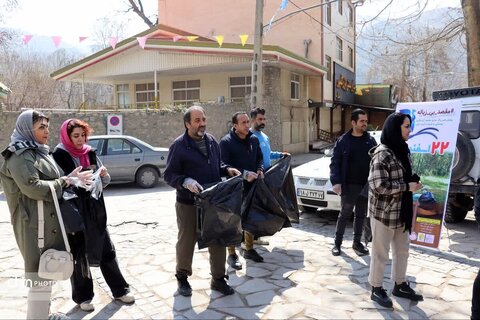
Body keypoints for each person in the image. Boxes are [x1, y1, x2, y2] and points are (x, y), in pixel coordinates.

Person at [0, 110, 92, 319]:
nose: (46, 131)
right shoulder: (19, 155)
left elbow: (53, 179)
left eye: (47, 126)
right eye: (41, 127)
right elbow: (33, 187)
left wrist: (70, 178)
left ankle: (43, 315)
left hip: (45, 221)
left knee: (46, 273)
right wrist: (65, 181)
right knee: (39, 278)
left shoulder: (38, 151)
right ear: (27, 129)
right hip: (33, 225)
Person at [52, 119, 135, 312]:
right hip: (74, 211)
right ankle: (84, 297)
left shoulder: (90, 152)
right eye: (76, 136)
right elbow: (57, 185)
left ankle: (120, 290)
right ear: (67, 136)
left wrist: (103, 176)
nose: (80, 140)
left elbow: (103, 181)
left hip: (95, 210)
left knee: (107, 249)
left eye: (83, 135)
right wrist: (72, 181)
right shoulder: (58, 155)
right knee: (79, 254)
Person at [164, 105, 238, 297]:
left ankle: (218, 279)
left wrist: (227, 169)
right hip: (188, 203)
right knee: (186, 241)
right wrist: (185, 181)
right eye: (197, 120)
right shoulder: (178, 146)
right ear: (187, 123)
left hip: (212, 201)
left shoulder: (212, 141)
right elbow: (169, 175)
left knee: (218, 239)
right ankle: (182, 277)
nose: (202, 124)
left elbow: (218, 165)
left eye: (203, 119)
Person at [367, 112, 423, 308]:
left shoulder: (403, 149)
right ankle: (376, 288)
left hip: (402, 211)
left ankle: (399, 284)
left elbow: (403, 175)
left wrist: (413, 180)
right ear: (395, 128)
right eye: (406, 126)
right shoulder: (382, 154)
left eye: (409, 125)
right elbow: (378, 186)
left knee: (402, 251)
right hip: (384, 213)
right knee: (380, 253)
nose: (410, 130)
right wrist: (407, 187)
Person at [220, 111, 264, 270]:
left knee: (251, 217)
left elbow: (259, 157)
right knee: (233, 221)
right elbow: (223, 165)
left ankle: (249, 249)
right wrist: (244, 174)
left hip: (252, 187)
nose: (247, 125)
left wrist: (259, 169)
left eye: (247, 122)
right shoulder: (226, 142)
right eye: (243, 123)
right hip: (234, 188)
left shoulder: (253, 139)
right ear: (235, 125)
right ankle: (231, 254)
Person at [329, 109, 377, 256]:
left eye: (366, 121)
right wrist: (336, 182)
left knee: (361, 215)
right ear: (353, 122)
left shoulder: (370, 141)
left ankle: (357, 243)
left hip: (365, 186)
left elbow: (376, 162)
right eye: (362, 121)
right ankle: (337, 244)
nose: (365, 124)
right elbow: (335, 162)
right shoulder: (343, 141)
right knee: (344, 214)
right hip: (348, 185)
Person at [249, 107, 289, 246]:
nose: (263, 121)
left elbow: (269, 154)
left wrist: (280, 155)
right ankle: (246, 239)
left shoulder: (265, 136)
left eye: (264, 119)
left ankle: (256, 237)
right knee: (252, 209)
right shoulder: (248, 136)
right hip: (254, 179)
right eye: (260, 119)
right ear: (252, 120)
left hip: (266, 178)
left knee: (262, 208)